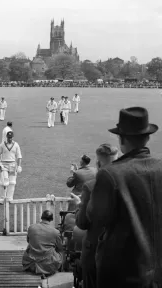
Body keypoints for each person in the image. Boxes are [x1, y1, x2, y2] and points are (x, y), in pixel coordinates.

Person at [87, 107, 162, 288]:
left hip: (121, 270)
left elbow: (94, 218)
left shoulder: (110, 174)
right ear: (147, 137)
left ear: (121, 139)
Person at [72, 144, 118, 288]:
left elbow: (82, 223)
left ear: (98, 163)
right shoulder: (127, 184)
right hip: (120, 250)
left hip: (95, 249)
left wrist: (79, 205)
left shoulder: (91, 187)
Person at [22, 210, 64, 275]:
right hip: (47, 265)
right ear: (51, 219)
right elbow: (60, 247)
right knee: (61, 251)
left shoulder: (31, 227)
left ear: (41, 217)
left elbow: (28, 241)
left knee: (30, 245)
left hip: (31, 262)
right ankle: (63, 268)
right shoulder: (55, 232)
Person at [0, 131, 22, 200]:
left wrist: (19, 166)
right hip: (4, 165)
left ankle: (9, 198)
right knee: (3, 182)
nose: (10, 139)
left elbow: (19, 156)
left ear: (12, 137)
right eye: (8, 137)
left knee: (12, 183)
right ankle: (1, 198)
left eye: (11, 138)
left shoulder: (16, 145)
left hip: (13, 165)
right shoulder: (2, 144)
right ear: (6, 137)